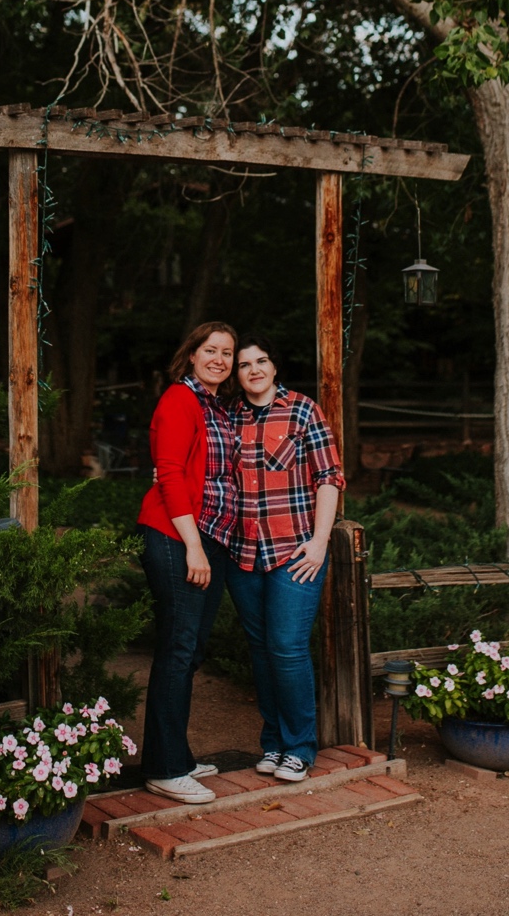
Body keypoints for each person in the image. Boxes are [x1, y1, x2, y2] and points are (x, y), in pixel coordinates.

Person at [226, 333, 345, 783]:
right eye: (244, 364)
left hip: (295, 553)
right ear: (236, 375)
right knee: (261, 652)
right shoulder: (229, 417)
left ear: (275, 367)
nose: (254, 370)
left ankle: (299, 747)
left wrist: (320, 541)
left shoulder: (302, 410)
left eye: (262, 361)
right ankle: (273, 743)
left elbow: (329, 478)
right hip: (243, 555)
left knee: (288, 649)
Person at [136, 322, 239, 805]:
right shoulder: (180, 399)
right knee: (178, 649)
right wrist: (193, 546)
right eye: (210, 350)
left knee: (191, 650)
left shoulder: (216, 406)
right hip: (178, 538)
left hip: (209, 540)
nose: (219, 358)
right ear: (192, 355)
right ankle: (164, 768)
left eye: (227, 353)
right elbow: (171, 476)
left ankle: (174, 751)